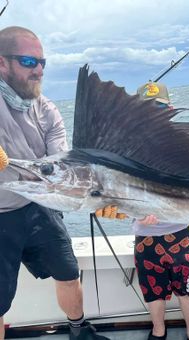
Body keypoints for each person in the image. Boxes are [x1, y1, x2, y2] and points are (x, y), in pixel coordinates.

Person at [0, 26, 110, 340]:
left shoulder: (46, 110)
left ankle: (79, 331)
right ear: (2, 63)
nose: (38, 70)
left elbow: (60, 166)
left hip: (39, 203)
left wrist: (97, 199)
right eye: (28, 61)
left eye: (42, 63)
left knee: (68, 273)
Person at [132, 83, 189, 340]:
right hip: (146, 233)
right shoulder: (129, 148)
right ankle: (158, 331)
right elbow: (118, 197)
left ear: (170, 109)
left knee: (187, 288)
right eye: (148, 108)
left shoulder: (184, 145)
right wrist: (135, 214)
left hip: (180, 231)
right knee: (153, 290)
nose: (154, 113)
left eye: (159, 107)